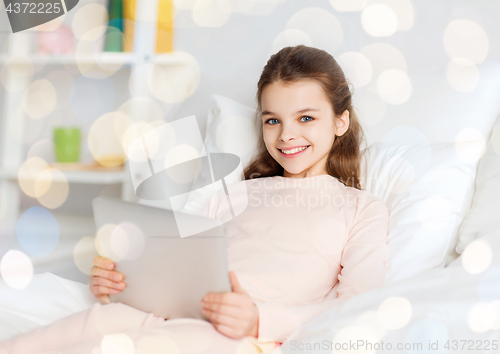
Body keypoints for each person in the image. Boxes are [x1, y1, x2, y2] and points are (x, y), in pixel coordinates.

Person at [0, 45, 389, 353]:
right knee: (35, 343)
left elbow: (356, 305)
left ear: (341, 121)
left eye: (306, 118)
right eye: (273, 119)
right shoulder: (236, 192)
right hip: (167, 314)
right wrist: (119, 282)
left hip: (233, 336)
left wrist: (259, 320)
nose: (286, 135)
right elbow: (178, 267)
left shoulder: (360, 210)